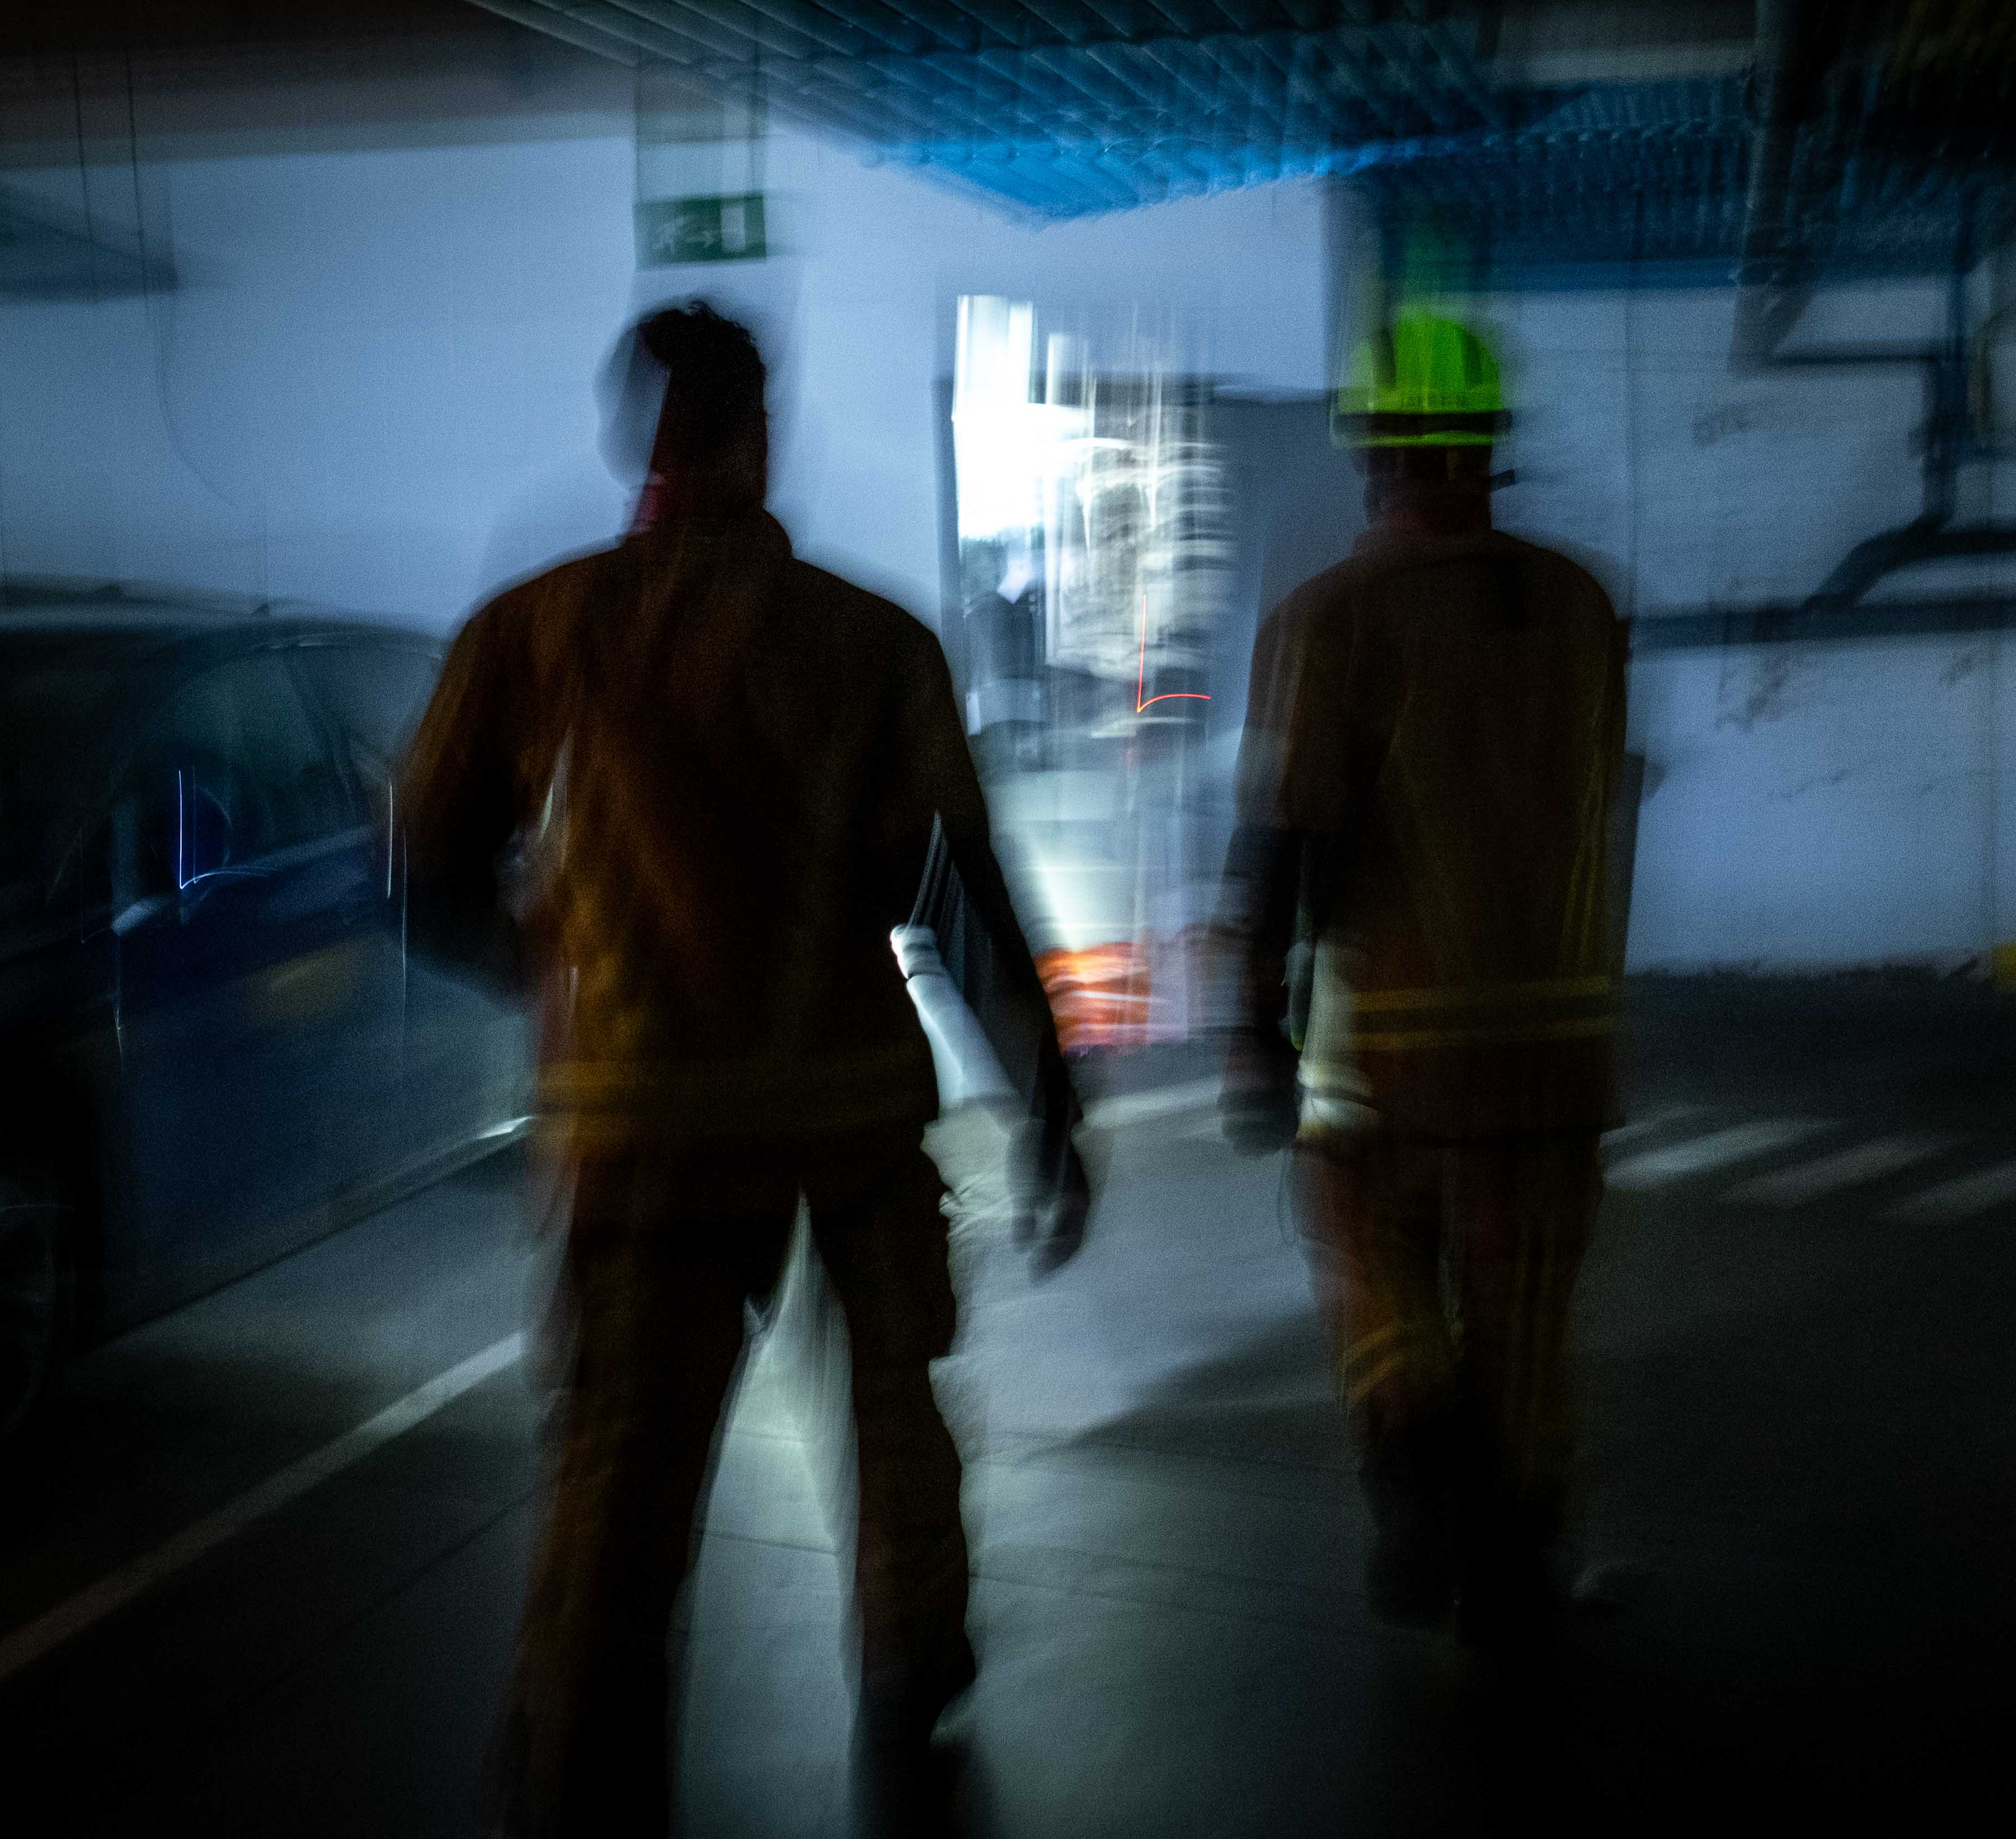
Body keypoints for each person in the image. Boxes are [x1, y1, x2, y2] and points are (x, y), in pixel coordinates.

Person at [403, 301, 1089, 1838]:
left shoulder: (538, 628)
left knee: (618, 1474)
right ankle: (912, 1664)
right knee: (897, 1417)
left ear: (632, 441)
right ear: (758, 437)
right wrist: (1047, 1099)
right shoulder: (870, 641)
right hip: (847, 1119)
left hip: (640, 1133)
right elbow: (952, 894)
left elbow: (423, 863)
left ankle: (583, 1743)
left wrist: (543, 959)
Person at [1221, 312, 1631, 1656]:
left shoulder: (1334, 615)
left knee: (1372, 1258)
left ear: (1374, 452)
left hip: (1386, 1052)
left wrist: (1250, 1020)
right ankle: (1513, 1551)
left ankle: (1410, 1449)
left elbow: (1286, 830)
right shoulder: (1581, 607)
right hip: (1560, 1049)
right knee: (1526, 1318)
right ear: (1487, 446)